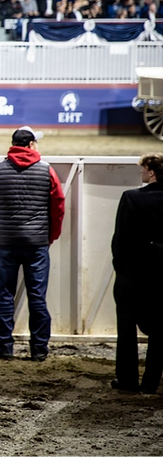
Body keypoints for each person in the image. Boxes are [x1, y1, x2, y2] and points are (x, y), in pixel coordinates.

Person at [0, 126, 65, 362]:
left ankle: (4, 346)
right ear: (30, 145)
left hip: (6, 242)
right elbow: (58, 206)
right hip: (37, 243)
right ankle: (38, 348)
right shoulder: (46, 170)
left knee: (4, 295)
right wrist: (51, 235)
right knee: (37, 297)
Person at [111, 153, 163, 393]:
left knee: (126, 328)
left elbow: (120, 239)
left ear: (151, 172)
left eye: (143, 169)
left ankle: (128, 380)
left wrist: (121, 268)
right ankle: (151, 381)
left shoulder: (131, 198)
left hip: (133, 273)